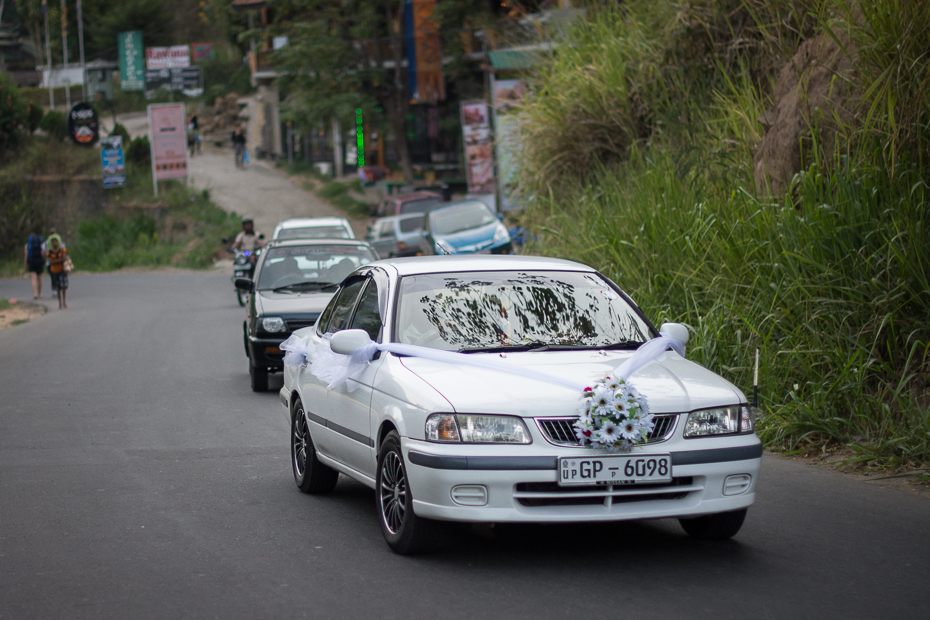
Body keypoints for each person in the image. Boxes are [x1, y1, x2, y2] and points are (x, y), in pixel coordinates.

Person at [44, 234, 69, 309]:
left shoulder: (62, 250)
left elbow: (64, 258)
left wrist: (55, 261)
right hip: (54, 271)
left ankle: (64, 301)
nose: (54, 243)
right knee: (58, 288)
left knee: (63, 286)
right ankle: (60, 303)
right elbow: (51, 261)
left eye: (55, 241)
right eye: (53, 242)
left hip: (62, 270)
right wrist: (59, 260)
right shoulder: (50, 252)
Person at [23, 232, 44, 299]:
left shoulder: (27, 245)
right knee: (39, 278)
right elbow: (43, 253)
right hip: (39, 262)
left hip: (32, 262)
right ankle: (40, 293)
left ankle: (35, 294)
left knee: (33, 278)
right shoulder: (40, 244)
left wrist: (25, 266)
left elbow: (26, 256)